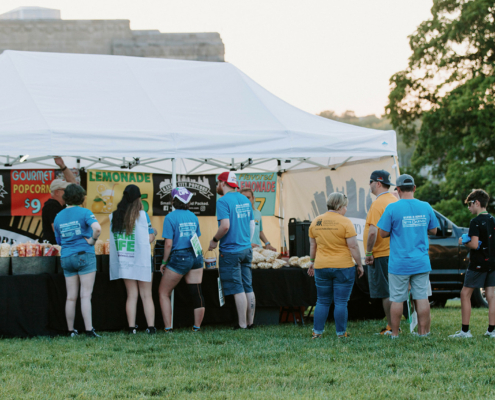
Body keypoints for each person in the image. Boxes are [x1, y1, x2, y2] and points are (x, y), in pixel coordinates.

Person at [377, 174, 438, 338]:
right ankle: (423, 333)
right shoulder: (426, 206)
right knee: (422, 297)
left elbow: (382, 233)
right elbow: (434, 230)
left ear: (397, 189)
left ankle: (395, 334)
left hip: (399, 262)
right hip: (421, 261)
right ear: (414, 188)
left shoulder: (392, 208)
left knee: (397, 299)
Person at [308, 192, 364, 339]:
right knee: (341, 302)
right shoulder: (345, 222)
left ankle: (317, 332)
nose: (346, 209)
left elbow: (312, 246)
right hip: (343, 267)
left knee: (322, 301)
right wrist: (360, 264)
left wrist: (311, 262)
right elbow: (353, 247)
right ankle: (341, 334)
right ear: (339, 206)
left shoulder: (316, 221)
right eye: (345, 206)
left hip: (321, 266)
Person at [208, 171, 255, 330]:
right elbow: (251, 224)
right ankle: (250, 322)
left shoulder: (222, 201)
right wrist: (246, 242)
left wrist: (214, 240)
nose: (217, 186)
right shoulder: (244, 199)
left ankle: (242, 324)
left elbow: (225, 226)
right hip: (246, 249)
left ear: (222, 183)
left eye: (217, 183)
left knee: (237, 287)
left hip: (231, 251)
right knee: (248, 286)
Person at [53, 184, 101, 338]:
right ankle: (88, 330)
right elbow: (98, 229)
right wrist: (92, 240)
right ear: (81, 197)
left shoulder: (58, 216)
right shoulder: (85, 212)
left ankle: (70, 330)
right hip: (84, 254)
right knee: (85, 295)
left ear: (66, 197)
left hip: (67, 257)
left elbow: (59, 241)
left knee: (70, 296)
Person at [109, 184, 156, 335]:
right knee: (146, 294)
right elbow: (149, 239)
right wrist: (154, 232)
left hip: (125, 259)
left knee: (131, 294)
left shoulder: (115, 216)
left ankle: (131, 328)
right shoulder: (143, 216)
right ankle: (151, 327)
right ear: (138, 199)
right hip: (142, 260)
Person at [449, 189, 495, 338]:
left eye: (470, 204)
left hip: (478, 264)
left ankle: (465, 331)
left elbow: (474, 245)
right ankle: (492, 330)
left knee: (464, 294)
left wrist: (463, 242)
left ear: (477, 203)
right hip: (492, 263)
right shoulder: (493, 220)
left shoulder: (475, 222)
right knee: (491, 296)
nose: (469, 207)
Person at [159, 187, 204, 333]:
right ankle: (196, 327)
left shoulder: (170, 217)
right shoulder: (194, 217)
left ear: (173, 200)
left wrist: (164, 262)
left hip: (179, 257)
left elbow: (168, 244)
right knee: (196, 292)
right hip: (196, 255)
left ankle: (168, 328)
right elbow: (197, 238)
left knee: (163, 292)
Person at [364, 170, 398, 335]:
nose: (369, 185)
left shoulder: (377, 204)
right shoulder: (395, 200)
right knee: (396, 291)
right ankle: (397, 325)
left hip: (382, 253)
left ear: (377, 183)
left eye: (370, 182)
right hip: (395, 252)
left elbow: (373, 231)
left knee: (386, 293)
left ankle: (392, 327)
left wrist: (369, 252)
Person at [42, 157, 77, 244]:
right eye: (65, 190)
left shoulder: (60, 205)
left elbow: (73, 183)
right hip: (54, 250)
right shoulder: (52, 206)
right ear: (57, 192)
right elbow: (57, 229)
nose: (68, 192)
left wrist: (63, 166)